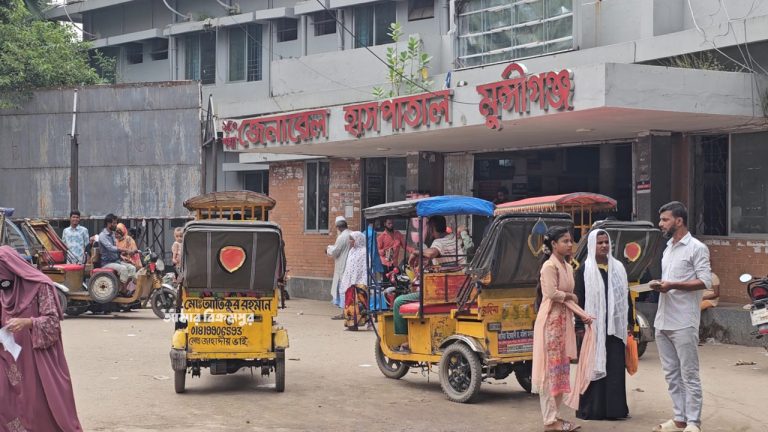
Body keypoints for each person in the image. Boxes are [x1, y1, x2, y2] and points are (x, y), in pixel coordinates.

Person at [0, 246, 83, 431]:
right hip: (11, 359)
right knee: (7, 402)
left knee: (39, 406)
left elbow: (53, 322)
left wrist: (28, 322)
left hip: (38, 361)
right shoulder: (4, 290)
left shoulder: (41, 285)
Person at [651, 201, 712, 432]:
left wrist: (673, 285)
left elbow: (704, 281)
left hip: (684, 321)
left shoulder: (697, 248)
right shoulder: (668, 248)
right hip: (663, 319)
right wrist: (660, 285)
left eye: (665, 220)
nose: (660, 224)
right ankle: (679, 418)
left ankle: (694, 422)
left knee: (689, 374)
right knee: (671, 374)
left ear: (679, 220)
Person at [532, 226, 594, 432]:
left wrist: (580, 313)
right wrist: (572, 298)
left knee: (561, 370)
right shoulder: (549, 266)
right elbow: (552, 293)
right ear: (553, 244)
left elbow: (565, 295)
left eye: (570, 241)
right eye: (565, 241)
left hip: (563, 321)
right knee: (550, 371)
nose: (570, 244)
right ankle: (549, 421)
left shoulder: (567, 266)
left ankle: (556, 417)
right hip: (551, 322)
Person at [572, 230, 632, 421]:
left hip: (615, 328)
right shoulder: (584, 270)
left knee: (614, 369)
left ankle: (615, 410)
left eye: (606, 242)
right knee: (593, 368)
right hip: (593, 329)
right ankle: (592, 410)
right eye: (600, 243)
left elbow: (626, 298)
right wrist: (580, 326)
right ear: (592, 245)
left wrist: (628, 323)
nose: (604, 246)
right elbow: (578, 299)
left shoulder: (619, 268)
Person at [98, 214, 138, 288]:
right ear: (108, 223)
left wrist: (122, 257)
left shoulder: (112, 234)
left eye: (116, 223)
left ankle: (126, 287)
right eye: (114, 223)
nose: (116, 225)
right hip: (107, 263)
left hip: (116, 261)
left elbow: (116, 248)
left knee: (132, 268)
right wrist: (126, 250)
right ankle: (122, 289)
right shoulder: (102, 236)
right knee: (123, 269)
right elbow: (111, 248)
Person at [341, 232, 368, 329]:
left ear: (358, 240)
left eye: (352, 239)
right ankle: (351, 325)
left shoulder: (364, 252)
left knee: (361, 304)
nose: (350, 241)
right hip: (350, 283)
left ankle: (363, 322)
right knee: (350, 304)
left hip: (360, 282)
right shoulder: (351, 251)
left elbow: (365, 268)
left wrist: (363, 281)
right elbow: (349, 268)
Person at [327, 216, 352, 319]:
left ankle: (344, 312)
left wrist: (327, 249)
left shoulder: (342, 237)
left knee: (343, 290)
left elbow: (336, 251)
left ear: (338, 227)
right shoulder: (351, 234)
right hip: (349, 265)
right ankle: (347, 311)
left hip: (343, 266)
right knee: (348, 290)